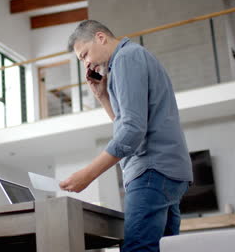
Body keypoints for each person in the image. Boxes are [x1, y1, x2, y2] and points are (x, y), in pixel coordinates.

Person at [59, 20, 193, 252]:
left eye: (84, 55)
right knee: (165, 247)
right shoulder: (132, 57)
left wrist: (88, 175)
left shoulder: (125, 59)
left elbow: (132, 131)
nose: (86, 63)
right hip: (170, 171)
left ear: (100, 37)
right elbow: (129, 125)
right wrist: (102, 97)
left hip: (152, 170)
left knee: (137, 248)